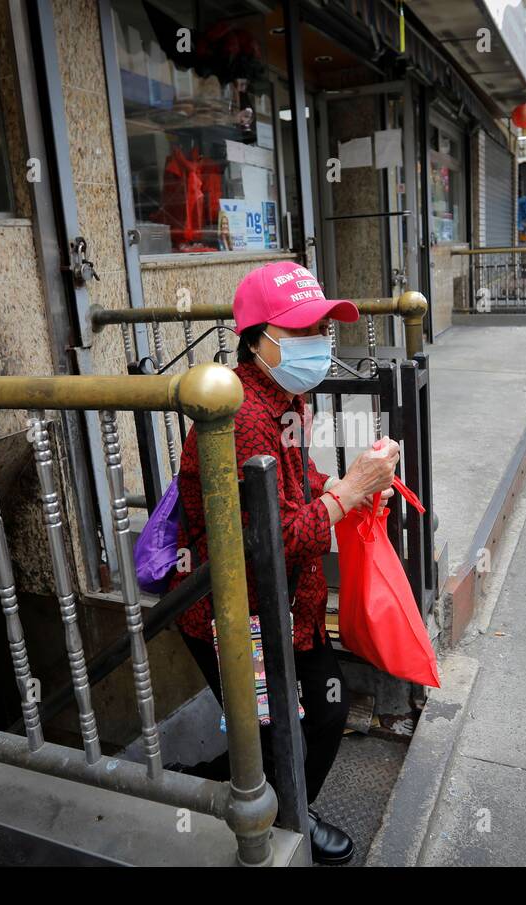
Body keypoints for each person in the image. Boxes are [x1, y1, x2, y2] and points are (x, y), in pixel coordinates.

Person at [170, 261, 399, 866]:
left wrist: (349, 487)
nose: (318, 345)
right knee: (297, 726)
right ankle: (285, 824)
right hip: (236, 611)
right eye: (300, 332)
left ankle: (208, 783)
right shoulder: (242, 417)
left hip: (288, 603)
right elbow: (265, 540)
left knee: (313, 714)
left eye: (322, 328)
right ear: (256, 340)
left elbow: (296, 488)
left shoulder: (288, 397)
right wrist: (345, 494)